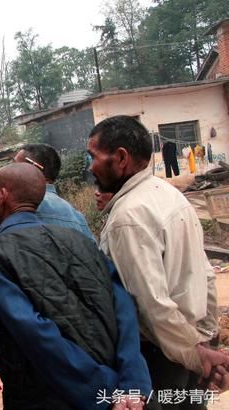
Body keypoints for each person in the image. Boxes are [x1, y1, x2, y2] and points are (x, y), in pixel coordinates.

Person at [0, 163, 152, 410]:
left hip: (48, 397)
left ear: (2, 195)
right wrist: (132, 383)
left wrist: (104, 391)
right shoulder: (81, 240)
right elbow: (123, 307)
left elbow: (35, 333)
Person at [87, 115, 229, 405]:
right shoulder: (169, 195)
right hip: (190, 343)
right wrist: (205, 339)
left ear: (121, 158)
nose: (91, 167)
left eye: (93, 156)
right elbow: (205, 275)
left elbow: (150, 305)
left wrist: (196, 354)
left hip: (161, 355)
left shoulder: (128, 217)